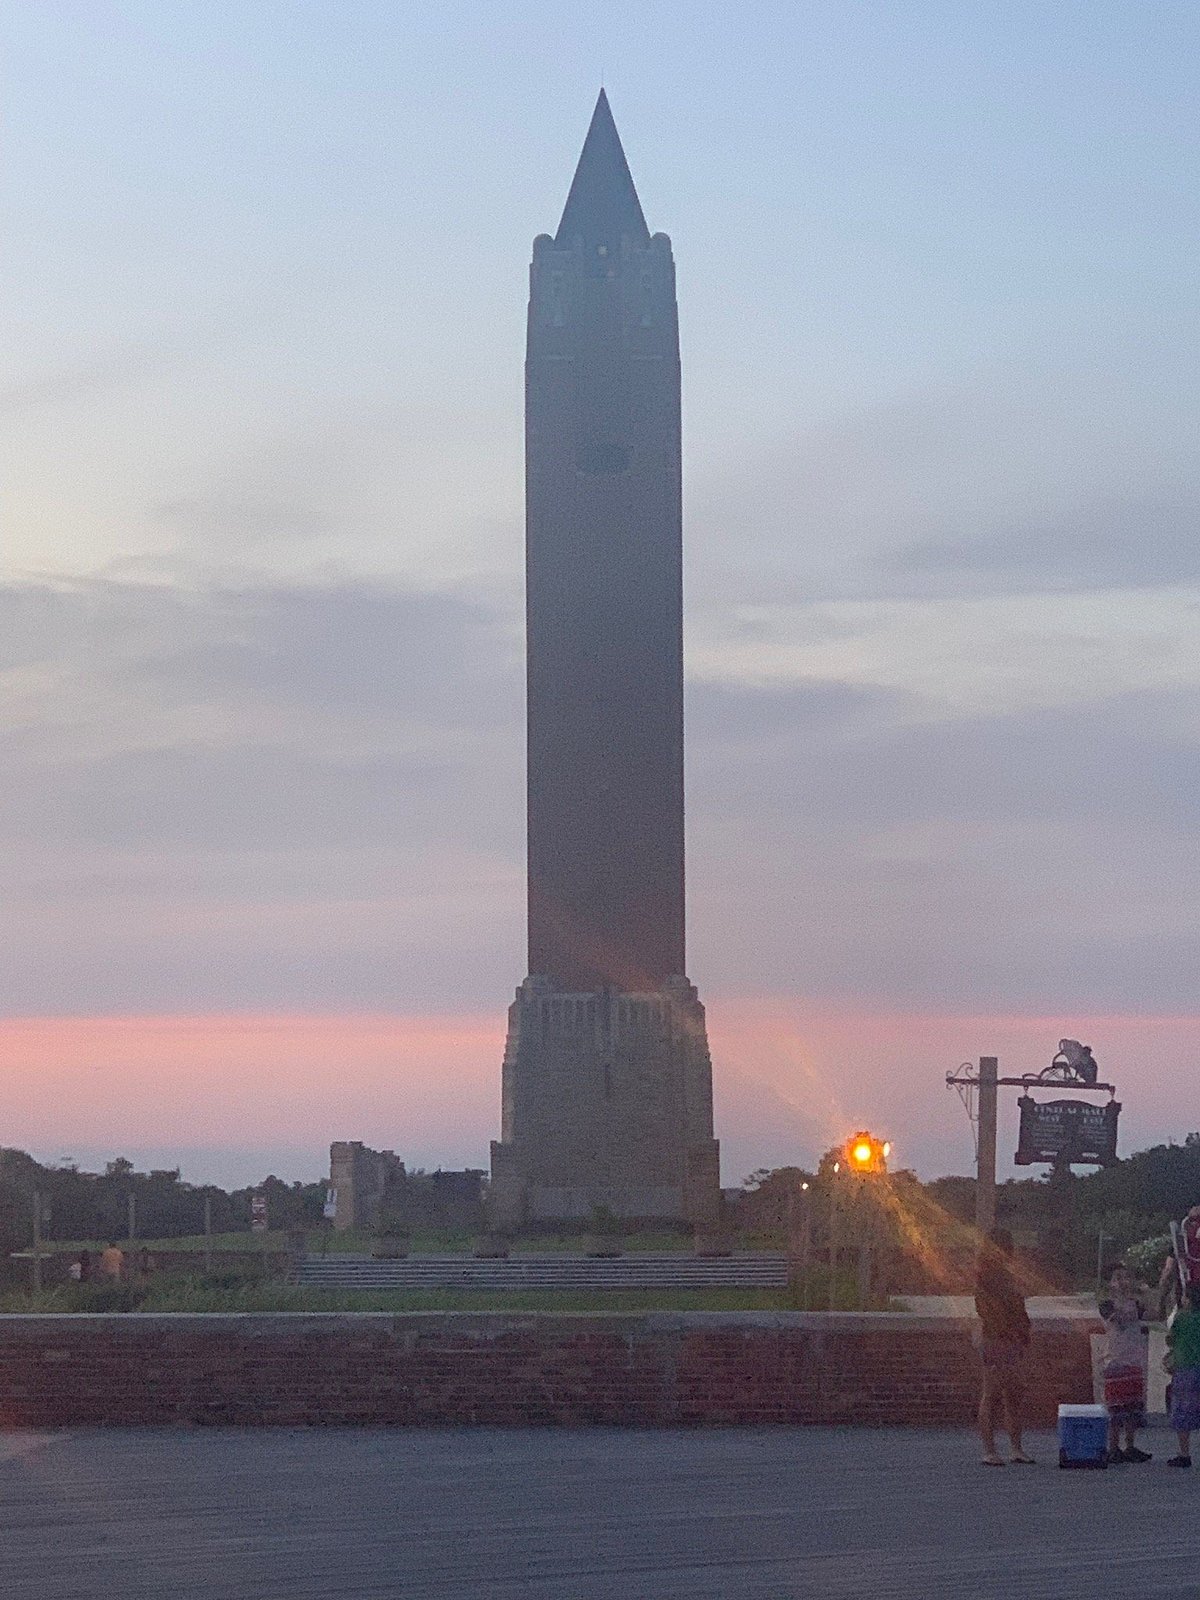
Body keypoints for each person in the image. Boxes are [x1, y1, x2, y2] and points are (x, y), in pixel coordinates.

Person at [975, 1226, 1034, 1466]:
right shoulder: (985, 1277)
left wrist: (1022, 1333)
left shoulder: (1008, 1277)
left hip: (1011, 1340)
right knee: (991, 1394)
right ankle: (989, 1450)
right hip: (995, 1339)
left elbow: (1019, 1310)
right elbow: (986, 1311)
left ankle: (1015, 1448)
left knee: (1014, 1394)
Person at [1097, 1262, 1151, 1464]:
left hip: (1133, 1360)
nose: (1123, 1281)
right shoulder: (1107, 1304)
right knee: (1116, 1410)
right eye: (1118, 1278)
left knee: (1132, 1408)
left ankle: (1130, 1445)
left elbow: (1155, 1313)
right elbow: (1118, 1321)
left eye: (1126, 1277)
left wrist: (1143, 1295)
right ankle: (1113, 1447)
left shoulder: (1135, 1303)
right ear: (1110, 1283)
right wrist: (1127, 1300)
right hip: (1115, 1360)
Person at [1166, 1284, 1200, 1468]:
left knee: (1183, 1411)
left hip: (1185, 1368)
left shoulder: (1182, 1317)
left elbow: (1170, 1339)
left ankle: (1184, 1453)